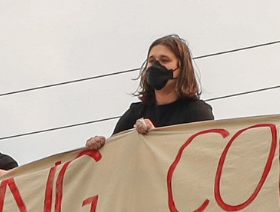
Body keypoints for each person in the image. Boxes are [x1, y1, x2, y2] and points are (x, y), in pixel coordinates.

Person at [84, 34, 214, 151]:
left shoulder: (196, 111)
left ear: (181, 68)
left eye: (164, 60)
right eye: (152, 61)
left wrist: (156, 139)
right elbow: (113, 153)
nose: (155, 66)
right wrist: (98, 146)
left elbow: (204, 154)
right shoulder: (135, 113)